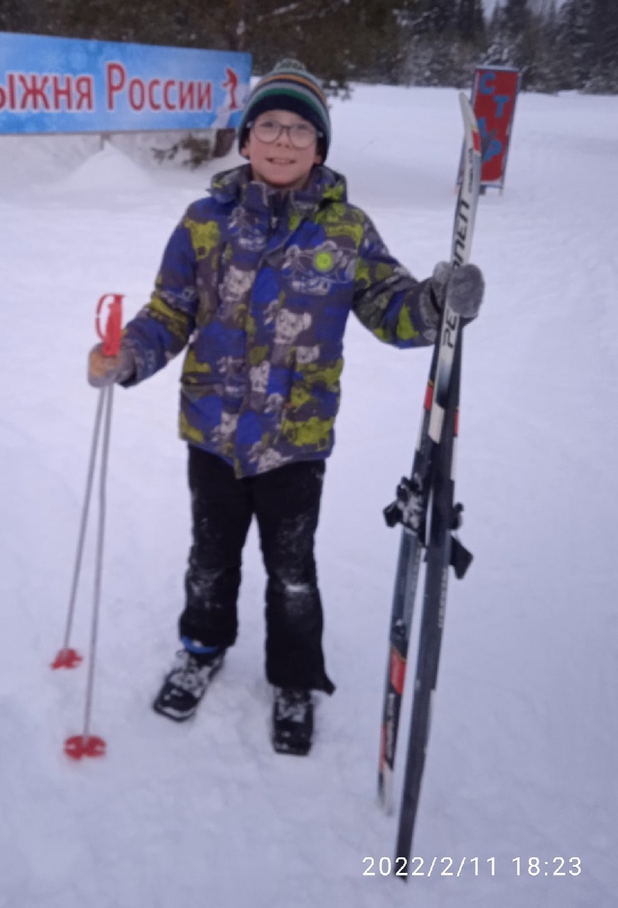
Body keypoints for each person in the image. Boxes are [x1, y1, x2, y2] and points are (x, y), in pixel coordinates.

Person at [87, 60, 483, 756]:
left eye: (300, 130)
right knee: (210, 559)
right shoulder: (203, 222)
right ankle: (201, 648)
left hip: (295, 440)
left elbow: (391, 310)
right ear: (246, 139)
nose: (283, 140)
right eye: (268, 125)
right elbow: (170, 310)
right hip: (213, 432)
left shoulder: (347, 230)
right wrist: (129, 355)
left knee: (292, 572)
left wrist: (434, 304)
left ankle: (295, 679)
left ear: (319, 147)